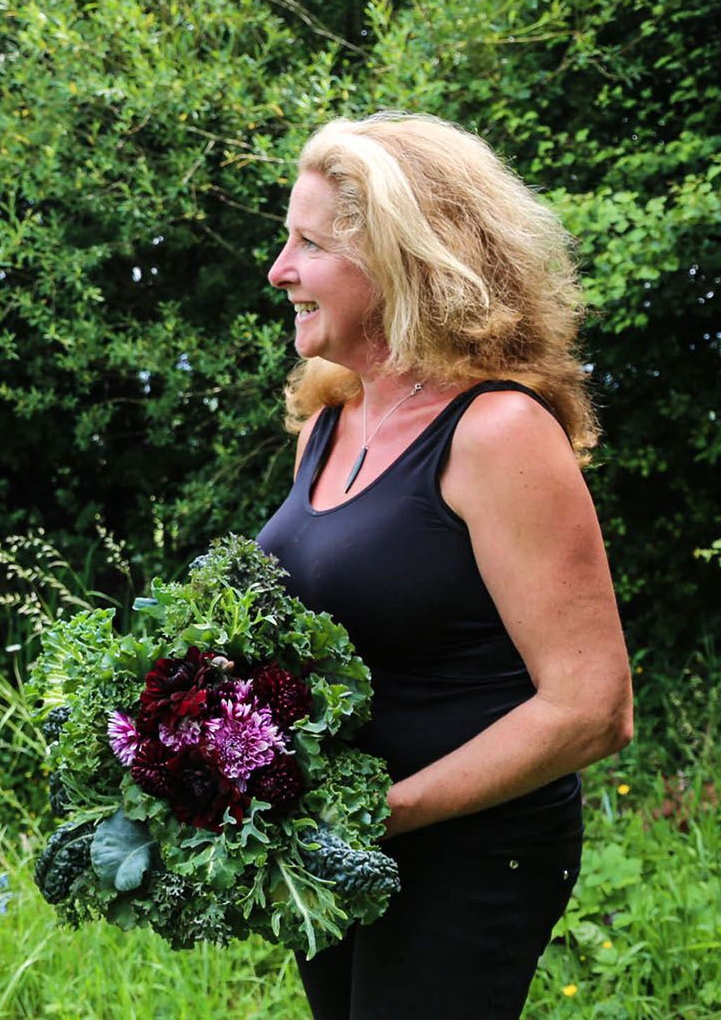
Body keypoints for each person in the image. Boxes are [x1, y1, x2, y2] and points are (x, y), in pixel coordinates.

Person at [254, 113, 633, 1018]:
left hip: (467, 852)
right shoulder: (329, 422)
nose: (279, 270)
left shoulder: (498, 433)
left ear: (397, 259)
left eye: (308, 243)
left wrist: (390, 812)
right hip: (342, 847)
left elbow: (592, 707)